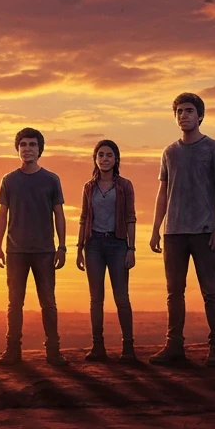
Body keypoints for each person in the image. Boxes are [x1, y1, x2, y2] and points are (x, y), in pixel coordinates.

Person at [149, 92, 215, 366]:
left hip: (205, 230)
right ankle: (174, 346)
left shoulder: (214, 149)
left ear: (200, 116)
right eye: (179, 112)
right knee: (174, 292)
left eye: (188, 111)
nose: (183, 115)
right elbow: (163, 193)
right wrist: (155, 228)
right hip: (173, 232)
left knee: (210, 290)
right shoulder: (169, 152)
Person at [0, 127, 67, 366]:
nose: (27, 149)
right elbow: (2, 215)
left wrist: (63, 246)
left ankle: (53, 351)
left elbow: (59, 214)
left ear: (40, 150)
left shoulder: (51, 179)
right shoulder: (8, 180)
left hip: (45, 250)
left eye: (32, 145)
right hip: (15, 251)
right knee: (15, 302)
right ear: (17, 149)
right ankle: (12, 350)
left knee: (48, 301)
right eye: (23, 145)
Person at [76, 140, 138, 362]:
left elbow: (131, 218)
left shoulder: (124, 186)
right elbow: (83, 218)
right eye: (100, 155)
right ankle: (98, 347)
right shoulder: (88, 187)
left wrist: (131, 248)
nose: (104, 159)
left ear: (116, 159)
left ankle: (128, 348)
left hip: (117, 244)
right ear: (95, 159)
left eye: (109, 155)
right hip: (93, 245)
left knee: (121, 297)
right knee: (96, 299)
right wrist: (79, 248)